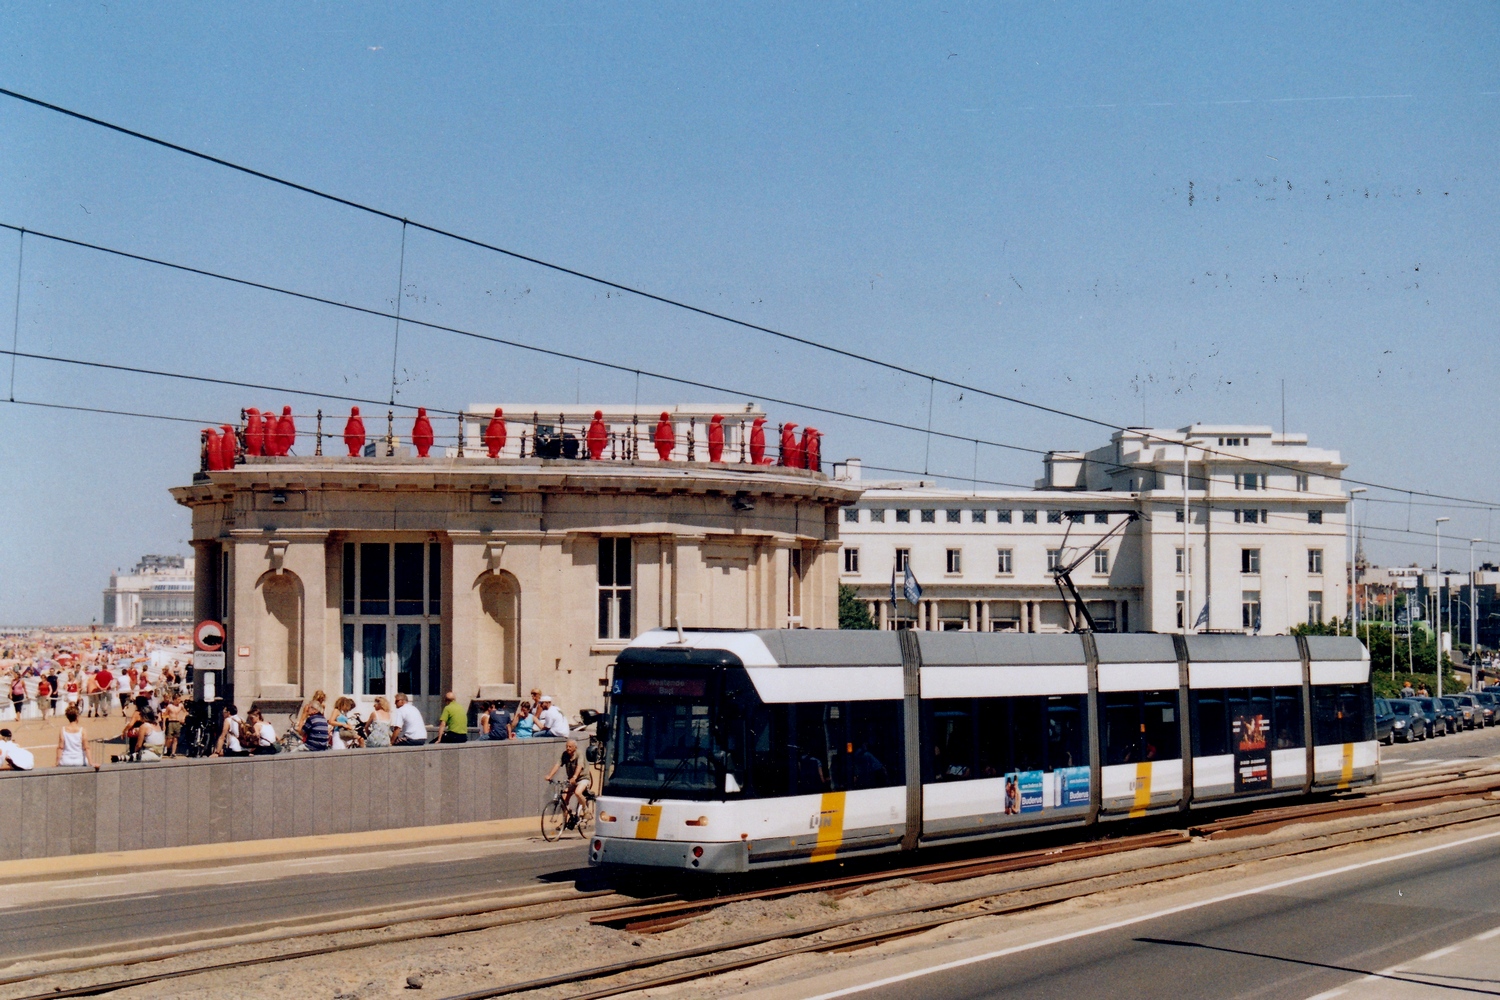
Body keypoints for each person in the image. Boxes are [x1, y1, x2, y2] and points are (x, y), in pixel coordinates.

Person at [543, 739, 591, 826]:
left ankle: (586, 810)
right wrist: (550, 775)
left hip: (583, 778)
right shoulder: (565, 754)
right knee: (564, 799)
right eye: (567, 746)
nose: (568, 748)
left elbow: (579, 766)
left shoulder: (579, 754)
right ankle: (565, 822)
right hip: (572, 780)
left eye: (570, 747)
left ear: (575, 747)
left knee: (577, 792)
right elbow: (557, 765)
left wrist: (575, 777)